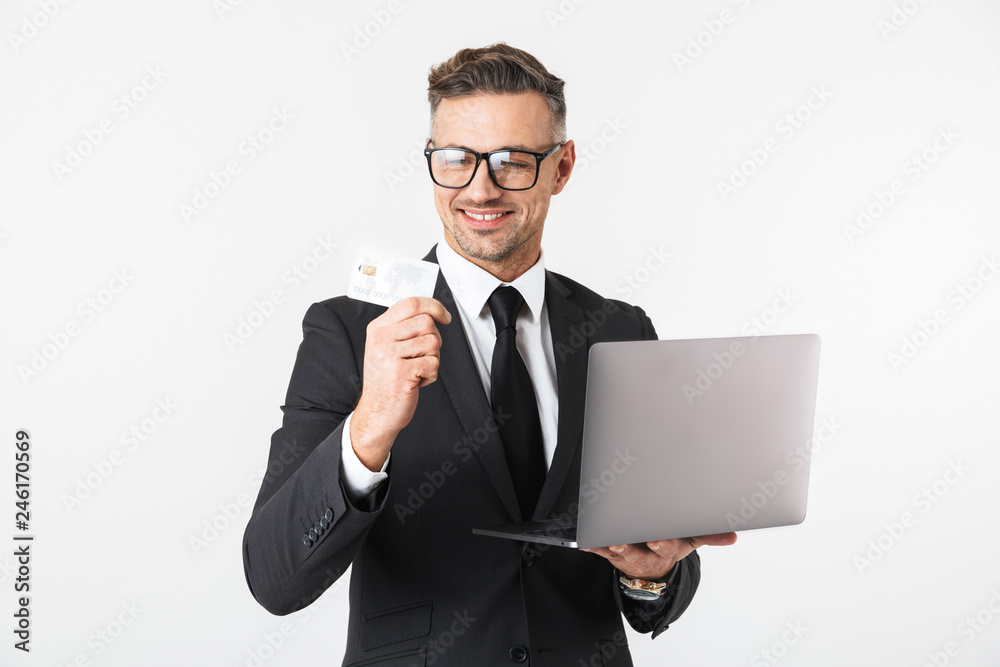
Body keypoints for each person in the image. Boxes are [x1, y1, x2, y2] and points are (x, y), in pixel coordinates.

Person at [242, 43, 735, 666]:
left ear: (562, 167)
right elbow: (273, 578)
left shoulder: (621, 330)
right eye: (456, 159)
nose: (481, 187)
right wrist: (368, 427)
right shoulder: (349, 329)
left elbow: (655, 577)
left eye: (513, 161)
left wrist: (652, 574)